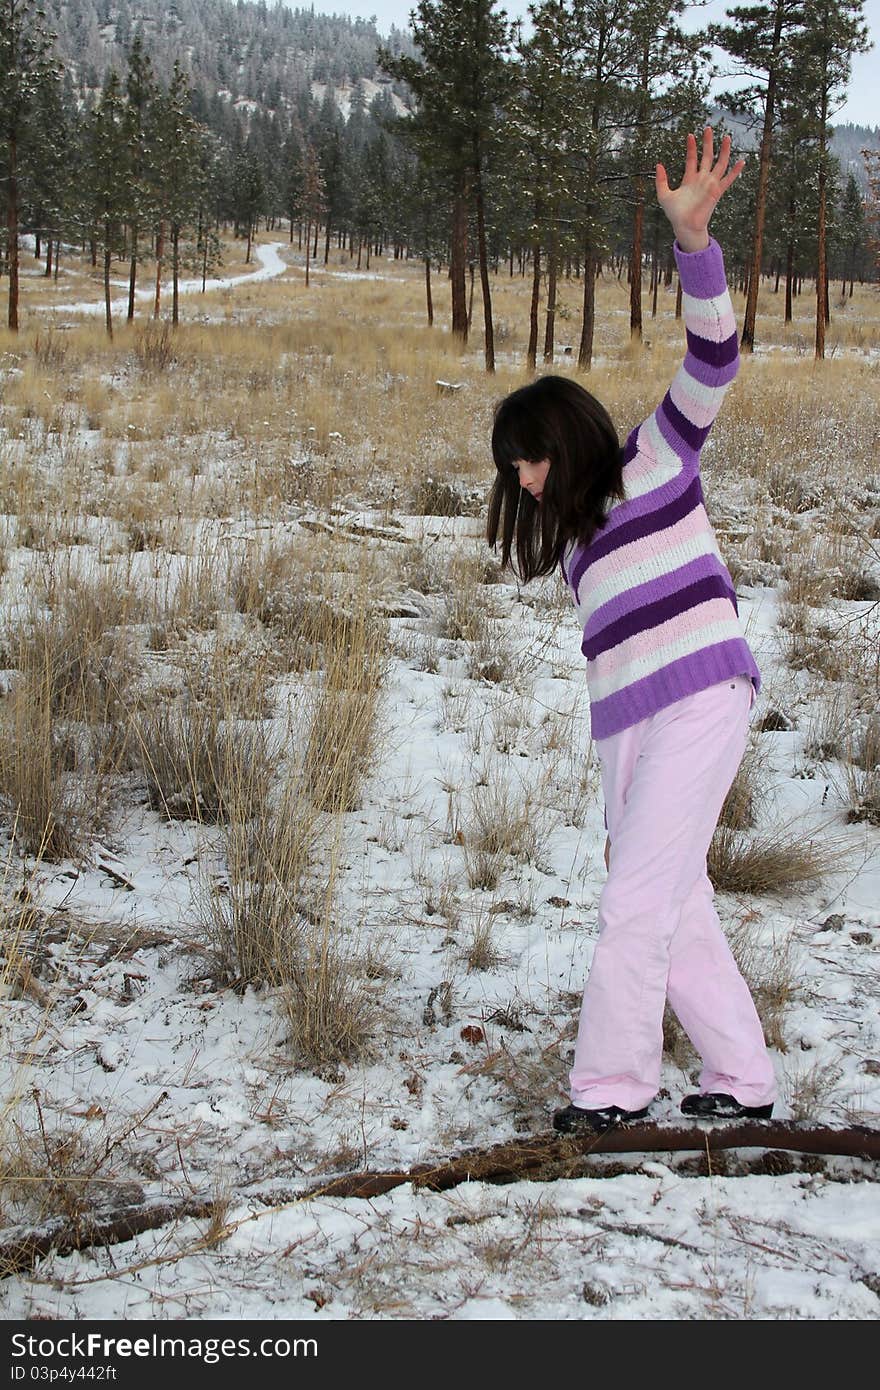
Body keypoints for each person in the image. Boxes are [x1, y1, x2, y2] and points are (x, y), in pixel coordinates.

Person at [487, 128, 777, 1134]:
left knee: (633, 906)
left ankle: (610, 1093)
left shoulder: (657, 456)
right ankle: (741, 1077)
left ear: (560, 437)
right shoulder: (571, 543)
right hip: (626, 722)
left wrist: (693, 242)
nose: (518, 480)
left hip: (702, 693)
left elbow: (713, 356)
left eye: (523, 459)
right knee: (668, 895)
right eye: (509, 469)